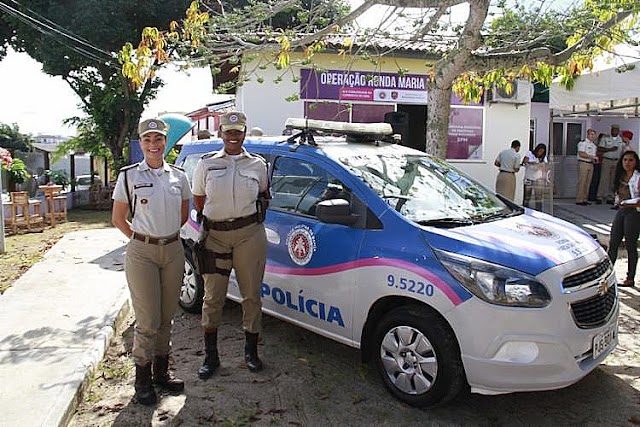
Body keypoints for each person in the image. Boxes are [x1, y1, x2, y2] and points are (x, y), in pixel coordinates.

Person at [111, 118, 192, 405]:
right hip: (142, 253)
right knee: (147, 320)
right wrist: (143, 236)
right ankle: (142, 380)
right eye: (148, 140)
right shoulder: (129, 176)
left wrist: (162, 235)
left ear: (165, 143)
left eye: (158, 139)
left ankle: (161, 374)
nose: (154, 145)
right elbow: (119, 219)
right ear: (141, 143)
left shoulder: (179, 176)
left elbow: (182, 215)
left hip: (172, 250)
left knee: (167, 317)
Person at [191, 111, 270, 379]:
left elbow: (263, 195)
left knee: (251, 296)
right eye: (228, 131)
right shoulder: (206, 164)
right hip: (216, 236)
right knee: (213, 297)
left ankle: (250, 352)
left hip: (249, 234)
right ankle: (211, 356)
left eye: (238, 131)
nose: (233, 136)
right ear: (220, 134)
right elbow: (199, 199)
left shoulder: (258, 165)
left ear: (245, 133)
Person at [607, 150, 640, 288]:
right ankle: (607, 275)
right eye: (625, 160)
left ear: (636, 162)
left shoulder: (638, 177)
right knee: (613, 242)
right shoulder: (620, 175)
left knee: (630, 245)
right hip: (621, 211)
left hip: (634, 212)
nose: (627, 163)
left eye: (630, 160)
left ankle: (630, 277)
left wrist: (626, 203)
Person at [597, 125, 622, 204]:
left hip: (616, 161)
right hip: (607, 160)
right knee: (604, 179)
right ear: (611, 130)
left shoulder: (620, 139)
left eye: (616, 130)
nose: (615, 131)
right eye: (613, 130)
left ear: (618, 131)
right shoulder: (605, 138)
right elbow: (600, 148)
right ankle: (600, 196)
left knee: (613, 180)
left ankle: (610, 197)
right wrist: (610, 149)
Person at [575, 129, 598, 205]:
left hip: (591, 164)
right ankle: (579, 199)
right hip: (583, 163)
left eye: (593, 135)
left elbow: (593, 156)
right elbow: (581, 154)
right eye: (591, 134)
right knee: (582, 181)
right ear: (588, 135)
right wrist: (592, 157)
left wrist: (594, 159)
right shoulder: (583, 143)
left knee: (588, 182)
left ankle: (585, 198)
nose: (592, 136)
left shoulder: (593, 145)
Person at [522, 143, 548, 210]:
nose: (540, 153)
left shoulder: (543, 157)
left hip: (538, 179)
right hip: (529, 178)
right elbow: (525, 161)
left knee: (538, 198)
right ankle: (525, 210)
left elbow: (545, 167)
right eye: (539, 151)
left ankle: (539, 211)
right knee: (527, 197)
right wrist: (533, 163)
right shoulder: (530, 153)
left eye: (542, 152)